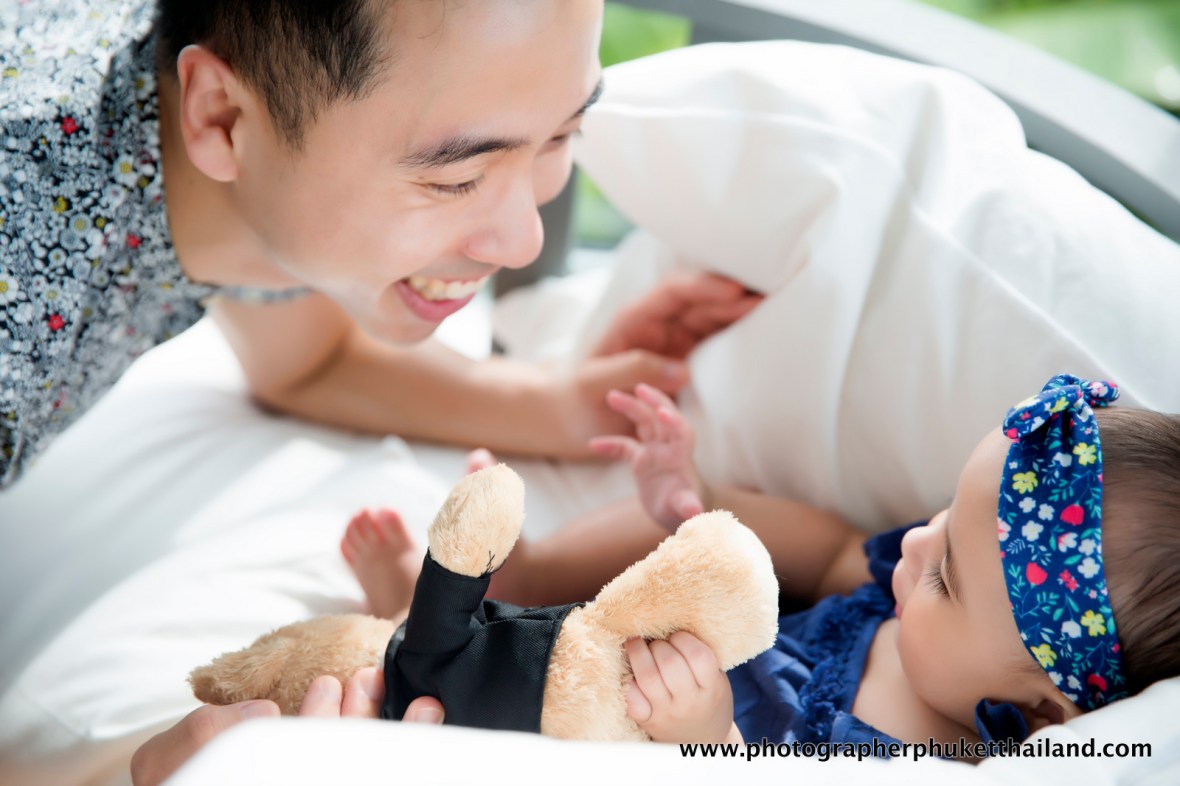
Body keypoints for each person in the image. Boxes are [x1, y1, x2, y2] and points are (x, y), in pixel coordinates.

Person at [0, 0, 760, 489]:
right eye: (456, 179)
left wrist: (558, 406)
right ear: (221, 118)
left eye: (562, 133)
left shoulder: (260, 191)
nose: (524, 241)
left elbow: (307, 363)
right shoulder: (20, 278)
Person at [344, 375, 1180, 752]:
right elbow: (819, 546)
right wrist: (694, 495)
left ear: (1035, 715)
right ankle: (530, 574)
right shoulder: (912, 602)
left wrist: (710, 737)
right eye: (940, 520)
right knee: (696, 545)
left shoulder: (921, 771)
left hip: (646, 735)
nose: (915, 543)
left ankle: (419, 640)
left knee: (507, 726)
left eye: (946, 576)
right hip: (649, 640)